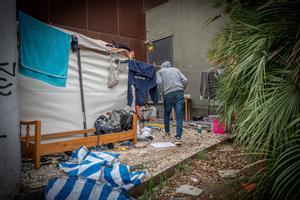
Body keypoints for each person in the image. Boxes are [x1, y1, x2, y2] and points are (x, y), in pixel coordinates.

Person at [156, 61, 188, 145]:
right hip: (179, 93)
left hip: (168, 94)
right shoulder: (176, 70)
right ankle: (178, 137)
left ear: (162, 66)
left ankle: (167, 133)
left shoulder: (160, 71)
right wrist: (181, 90)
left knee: (167, 113)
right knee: (179, 115)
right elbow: (185, 80)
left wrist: (161, 94)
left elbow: (159, 83)